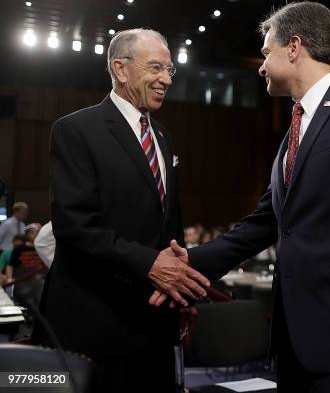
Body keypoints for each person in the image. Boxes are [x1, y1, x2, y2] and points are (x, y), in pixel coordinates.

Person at [153, 1, 330, 393]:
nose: (262, 65)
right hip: (295, 339)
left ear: (295, 46)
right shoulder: (292, 133)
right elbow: (265, 222)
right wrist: (191, 264)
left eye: (266, 52)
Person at [36, 28, 209, 392]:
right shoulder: (75, 129)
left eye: (170, 70)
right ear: (121, 68)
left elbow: (169, 225)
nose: (166, 79)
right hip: (96, 321)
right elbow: (74, 226)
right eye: (156, 68)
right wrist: (150, 264)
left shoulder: (162, 136)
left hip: (155, 320)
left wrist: (181, 295)